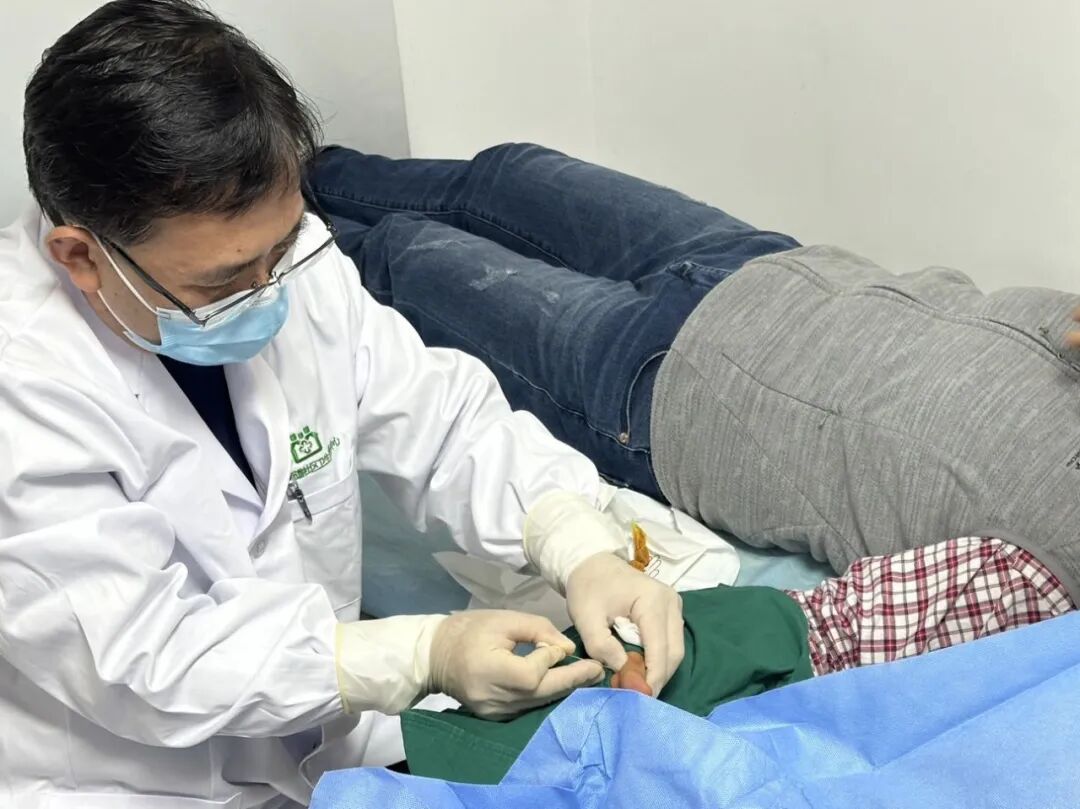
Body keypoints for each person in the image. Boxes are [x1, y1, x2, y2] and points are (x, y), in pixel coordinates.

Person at [0, 2, 684, 806]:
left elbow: (439, 420)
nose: (267, 293)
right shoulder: (24, 385)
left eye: (280, 248)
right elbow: (146, 654)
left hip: (331, 741)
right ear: (81, 256)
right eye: (222, 281)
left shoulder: (289, 264)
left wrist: (577, 541)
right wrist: (420, 654)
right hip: (135, 780)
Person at [310, 142, 1080, 610]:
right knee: (506, 175)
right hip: (764, 263)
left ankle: (263, 263)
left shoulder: (1056, 566)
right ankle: (269, 178)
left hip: (668, 387)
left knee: (404, 260)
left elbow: (867, 626)